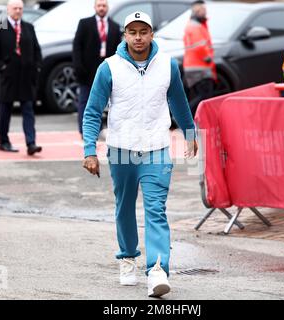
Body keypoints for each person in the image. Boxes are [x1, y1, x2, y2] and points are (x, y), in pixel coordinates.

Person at [82, 11, 198, 297]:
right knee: (124, 207)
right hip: (121, 149)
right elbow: (93, 111)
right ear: (124, 36)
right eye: (132, 32)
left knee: (156, 209)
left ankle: (157, 268)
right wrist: (89, 150)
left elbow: (179, 103)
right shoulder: (108, 68)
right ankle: (127, 257)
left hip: (156, 148)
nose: (138, 37)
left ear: (151, 34)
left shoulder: (168, 65)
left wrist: (191, 132)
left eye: (143, 32)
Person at [0, 0, 42, 155]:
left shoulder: (28, 27)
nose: (18, 11)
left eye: (20, 8)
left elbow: (36, 50)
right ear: (8, 9)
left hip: (26, 77)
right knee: (5, 109)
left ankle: (31, 143)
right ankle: (3, 141)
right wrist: (2, 68)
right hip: (8, 77)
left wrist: (37, 67)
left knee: (28, 109)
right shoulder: (0, 27)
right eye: (15, 8)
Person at [73, 0, 122, 138]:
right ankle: (85, 131)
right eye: (99, 6)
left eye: (104, 6)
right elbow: (77, 46)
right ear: (95, 7)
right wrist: (78, 66)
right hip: (87, 70)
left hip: (107, 69)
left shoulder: (114, 26)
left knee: (104, 102)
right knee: (85, 101)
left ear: (107, 7)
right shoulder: (84, 23)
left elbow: (118, 49)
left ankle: (100, 129)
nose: (101, 8)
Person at [183, 0, 217, 117]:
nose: (205, 13)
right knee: (204, 98)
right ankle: (184, 117)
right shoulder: (196, 26)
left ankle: (195, 125)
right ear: (197, 11)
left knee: (201, 97)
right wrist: (207, 58)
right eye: (203, 11)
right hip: (200, 68)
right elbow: (200, 46)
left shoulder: (194, 25)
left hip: (194, 67)